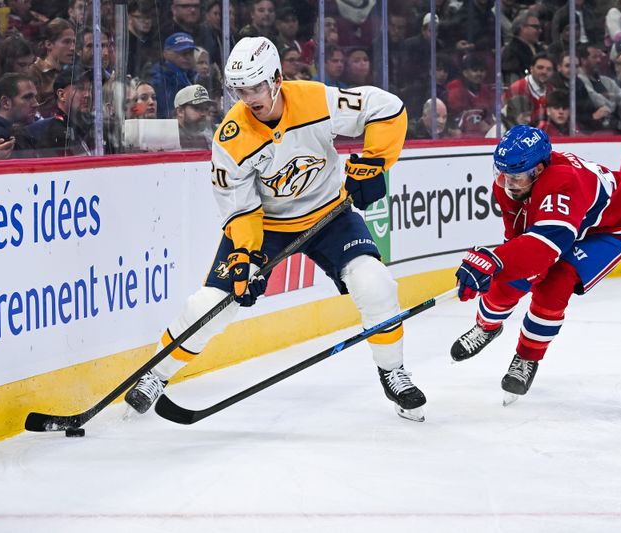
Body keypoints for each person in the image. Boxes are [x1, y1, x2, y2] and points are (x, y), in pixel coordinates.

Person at [124, 36, 426, 422]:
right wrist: (244, 254)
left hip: (329, 215)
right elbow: (240, 207)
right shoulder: (231, 139)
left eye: (255, 88)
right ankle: (156, 375)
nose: (247, 98)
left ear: (277, 79)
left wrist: (375, 161)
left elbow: (387, 108)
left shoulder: (316, 99)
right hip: (266, 227)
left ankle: (393, 372)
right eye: (239, 90)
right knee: (212, 304)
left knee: (374, 283)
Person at [450, 125, 621, 401]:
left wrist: (496, 261)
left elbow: (544, 249)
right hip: (565, 226)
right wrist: (499, 263)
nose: (508, 182)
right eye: (502, 173)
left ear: (538, 170)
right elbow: (518, 239)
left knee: (555, 284)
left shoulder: (564, 184)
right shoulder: (509, 185)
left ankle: (527, 356)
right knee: (512, 277)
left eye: (515, 176)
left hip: (604, 232)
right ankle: (486, 327)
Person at [0, 72, 40, 157]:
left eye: (35, 97)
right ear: (5, 102)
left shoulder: (20, 132)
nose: (36, 104)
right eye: (27, 97)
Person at [35, 68, 94, 157]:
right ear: (62, 95)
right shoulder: (54, 135)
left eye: (89, 89)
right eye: (80, 88)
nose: (87, 95)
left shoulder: (87, 127)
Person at [148, 32, 197, 119]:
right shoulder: (160, 80)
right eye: (183, 53)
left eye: (191, 53)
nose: (188, 57)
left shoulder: (192, 76)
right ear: (166, 54)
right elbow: (167, 114)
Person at [173, 84, 213, 149]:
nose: (203, 114)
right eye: (197, 108)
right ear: (180, 111)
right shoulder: (168, 137)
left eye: (206, 109)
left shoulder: (205, 137)